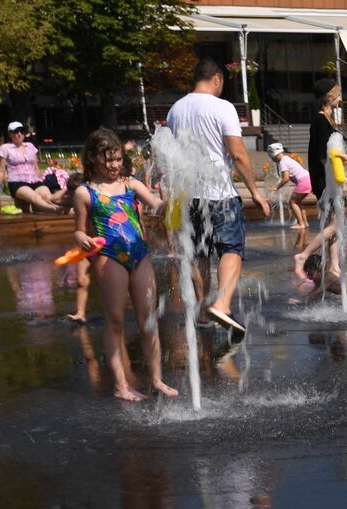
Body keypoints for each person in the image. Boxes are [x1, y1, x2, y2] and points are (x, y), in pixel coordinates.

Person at [165, 58, 271, 335]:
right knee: (231, 248)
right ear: (216, 79)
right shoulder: (223, 107)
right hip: (220, 194)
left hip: (190, 196)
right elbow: (237, 153)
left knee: (200, 253)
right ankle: (222, 304)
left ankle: (202, 311)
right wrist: (256, 192)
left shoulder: (175, 110)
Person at [72, 128, 177, 402]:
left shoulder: (130, 184)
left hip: (139, 255)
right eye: (109, 160)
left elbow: (155, 203)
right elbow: (78, 230)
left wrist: (169, 202)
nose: (115, 165)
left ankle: (156, 379)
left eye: (118, 159)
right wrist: (82, 238)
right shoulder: (85, 193)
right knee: (116, 320)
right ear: (93, 158)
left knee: (149, 320)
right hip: (109, 258)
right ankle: (121, 385)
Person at [0, 123, 61, 213]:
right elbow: (1, 170)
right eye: (16, 132)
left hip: (34, 180)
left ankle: (57, 206)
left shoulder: (30, 146)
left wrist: (39, 180)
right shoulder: (5, 148)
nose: (19, 134)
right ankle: (54, 209)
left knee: (47, 195)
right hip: (17, 182)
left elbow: (36, 167)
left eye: (21, 131)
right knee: (34, 197)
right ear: (10, 134)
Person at [266, 143, 310, 230]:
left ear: (274, 155)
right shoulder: (287, 158)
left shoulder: (283, 162)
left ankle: (301, 223)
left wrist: (277, 187)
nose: (273, 160)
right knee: (298, 202)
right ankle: (305, 222)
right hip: (308, 179)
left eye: (272, 158)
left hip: (303, 181)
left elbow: (285, 178)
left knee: (292, 202)